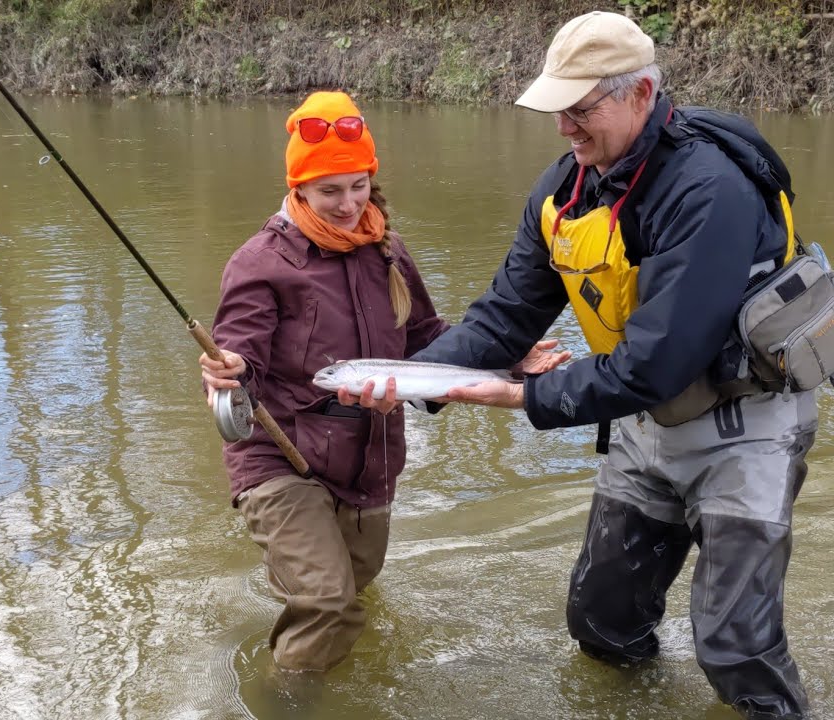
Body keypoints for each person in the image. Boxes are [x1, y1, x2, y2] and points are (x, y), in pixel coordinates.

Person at [411, 11, 819, 719]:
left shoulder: (708, 190)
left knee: (734, 650)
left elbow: (653, 365)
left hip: (746, 430)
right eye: (557, 111)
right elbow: (506, 314)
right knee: (600, 623)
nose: (564, 128)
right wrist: (410, 380)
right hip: (648, 425)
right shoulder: (564, 188)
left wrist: (521, 399)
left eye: (580, 109)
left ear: (641, 94)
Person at [198, 90, 563, 676]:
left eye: (358, 185)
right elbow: (240, 364)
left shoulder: (387, 248)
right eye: (329, 191)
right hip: (279, 459)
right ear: (298, 189)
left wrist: (510, 359)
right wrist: (230, 371)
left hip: (371, 460)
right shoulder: (259, 263)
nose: (348, 204)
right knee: (327, 606)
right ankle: (282, 703)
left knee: (352, 596)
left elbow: (426, 338)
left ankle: (307, 650)